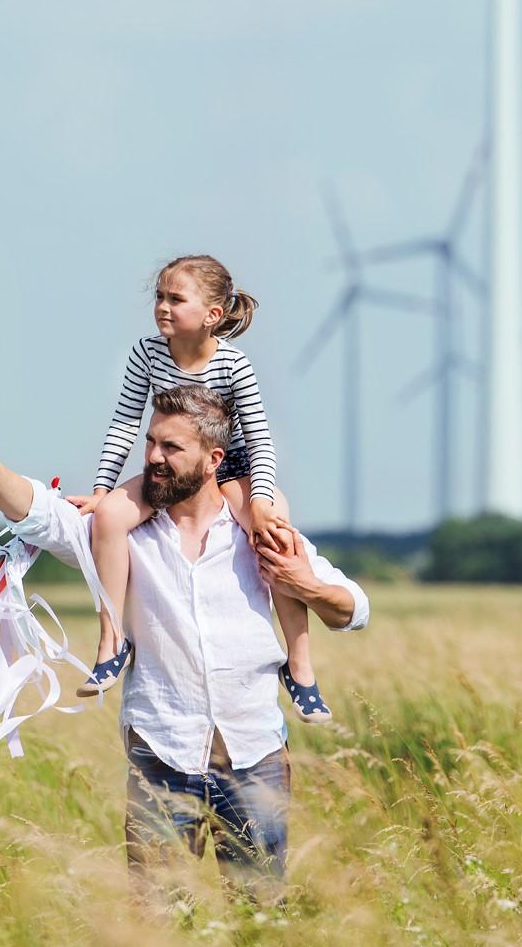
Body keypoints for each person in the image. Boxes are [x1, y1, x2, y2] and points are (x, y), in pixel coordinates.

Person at [0, 385, 369, 903]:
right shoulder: (118, 532)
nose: (153, 459)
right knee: (157, 919)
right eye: (150, 443)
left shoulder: (257, 530)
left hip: (255, 757)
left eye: (171, 448)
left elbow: (353, 609)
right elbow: (41, 515)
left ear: (213, 460)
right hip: (160, 753)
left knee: (261, 916)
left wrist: (308, 586)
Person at [65, 254, 332, 724]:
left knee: (276, 537)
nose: (163, 307)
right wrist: (103, 489)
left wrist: (263, 500)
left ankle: (300, 665)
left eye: (176, 299)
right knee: (108, 519)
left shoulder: (233, 363)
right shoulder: (146, 354)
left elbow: (259, 435)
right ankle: (111, 639)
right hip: (170, 467)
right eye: (159, 297)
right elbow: (125, 425)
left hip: (231, 466)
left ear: (212, 314)